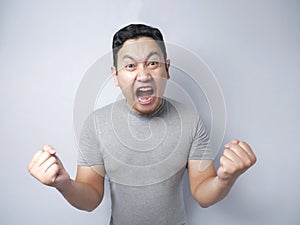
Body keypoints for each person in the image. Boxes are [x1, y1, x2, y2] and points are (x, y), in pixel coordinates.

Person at [28, 24, 256, 225]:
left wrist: (226, 178)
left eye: (153, 63)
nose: (144, 75)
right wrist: (64, 184)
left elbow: (203, 193)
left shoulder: (191, 120)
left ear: (167, 69)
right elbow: (91, 199)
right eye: (130, 66)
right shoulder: (96, 124)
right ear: (116, 76)